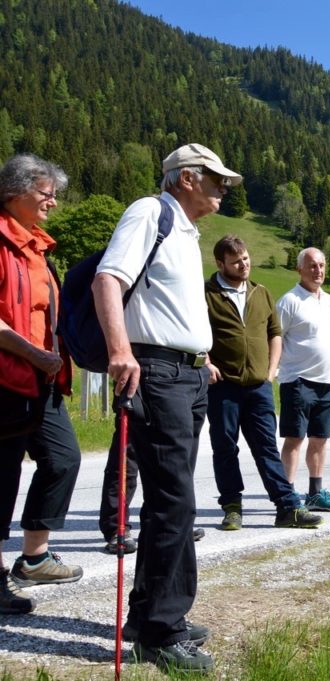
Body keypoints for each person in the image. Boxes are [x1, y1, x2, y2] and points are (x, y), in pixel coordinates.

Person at [92, 143, 241, 673]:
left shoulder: (184, 229)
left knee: (169, 502)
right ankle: (160, 632)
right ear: (185, 178)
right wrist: (119, 350)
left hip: (187, 373)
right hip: (156, 371)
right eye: (216, 180)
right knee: (175, 501)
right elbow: (108, 279)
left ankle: (148, 614)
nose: (223, 189)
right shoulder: (149, 213)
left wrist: (201, 362)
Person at [0, 154, 83, 615]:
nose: (53, 201)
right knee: (2, 474)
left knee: (64, 459)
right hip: (7, 378)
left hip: (43, 380)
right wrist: (32, 353)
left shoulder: (35, 246)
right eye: (45, 192)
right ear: (15, 192)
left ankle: (34, 557)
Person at [205, 235, 323, 531]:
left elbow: (275, 334)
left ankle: (287, 508)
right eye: (236, 261)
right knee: (225, 448)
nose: (243, 265)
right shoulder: (206, 294)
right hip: (223, 386)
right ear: (221, 264)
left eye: (245, 258)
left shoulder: (262, 292)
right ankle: (232, 508)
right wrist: (206, 363)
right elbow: (195, 331)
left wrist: (271, 371)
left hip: (259, 386)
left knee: (266, 448)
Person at [276, 247, 330, 512]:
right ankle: (287, 496)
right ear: (300, 269)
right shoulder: (289, 301)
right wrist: (274, 370)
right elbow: (275, 337)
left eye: (322, 265)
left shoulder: (329, 301)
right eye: (312, 265)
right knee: (294, 439)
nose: (318, 271)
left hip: (326, 382)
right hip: (297, 380)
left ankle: (315, 494)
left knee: (320, 439)